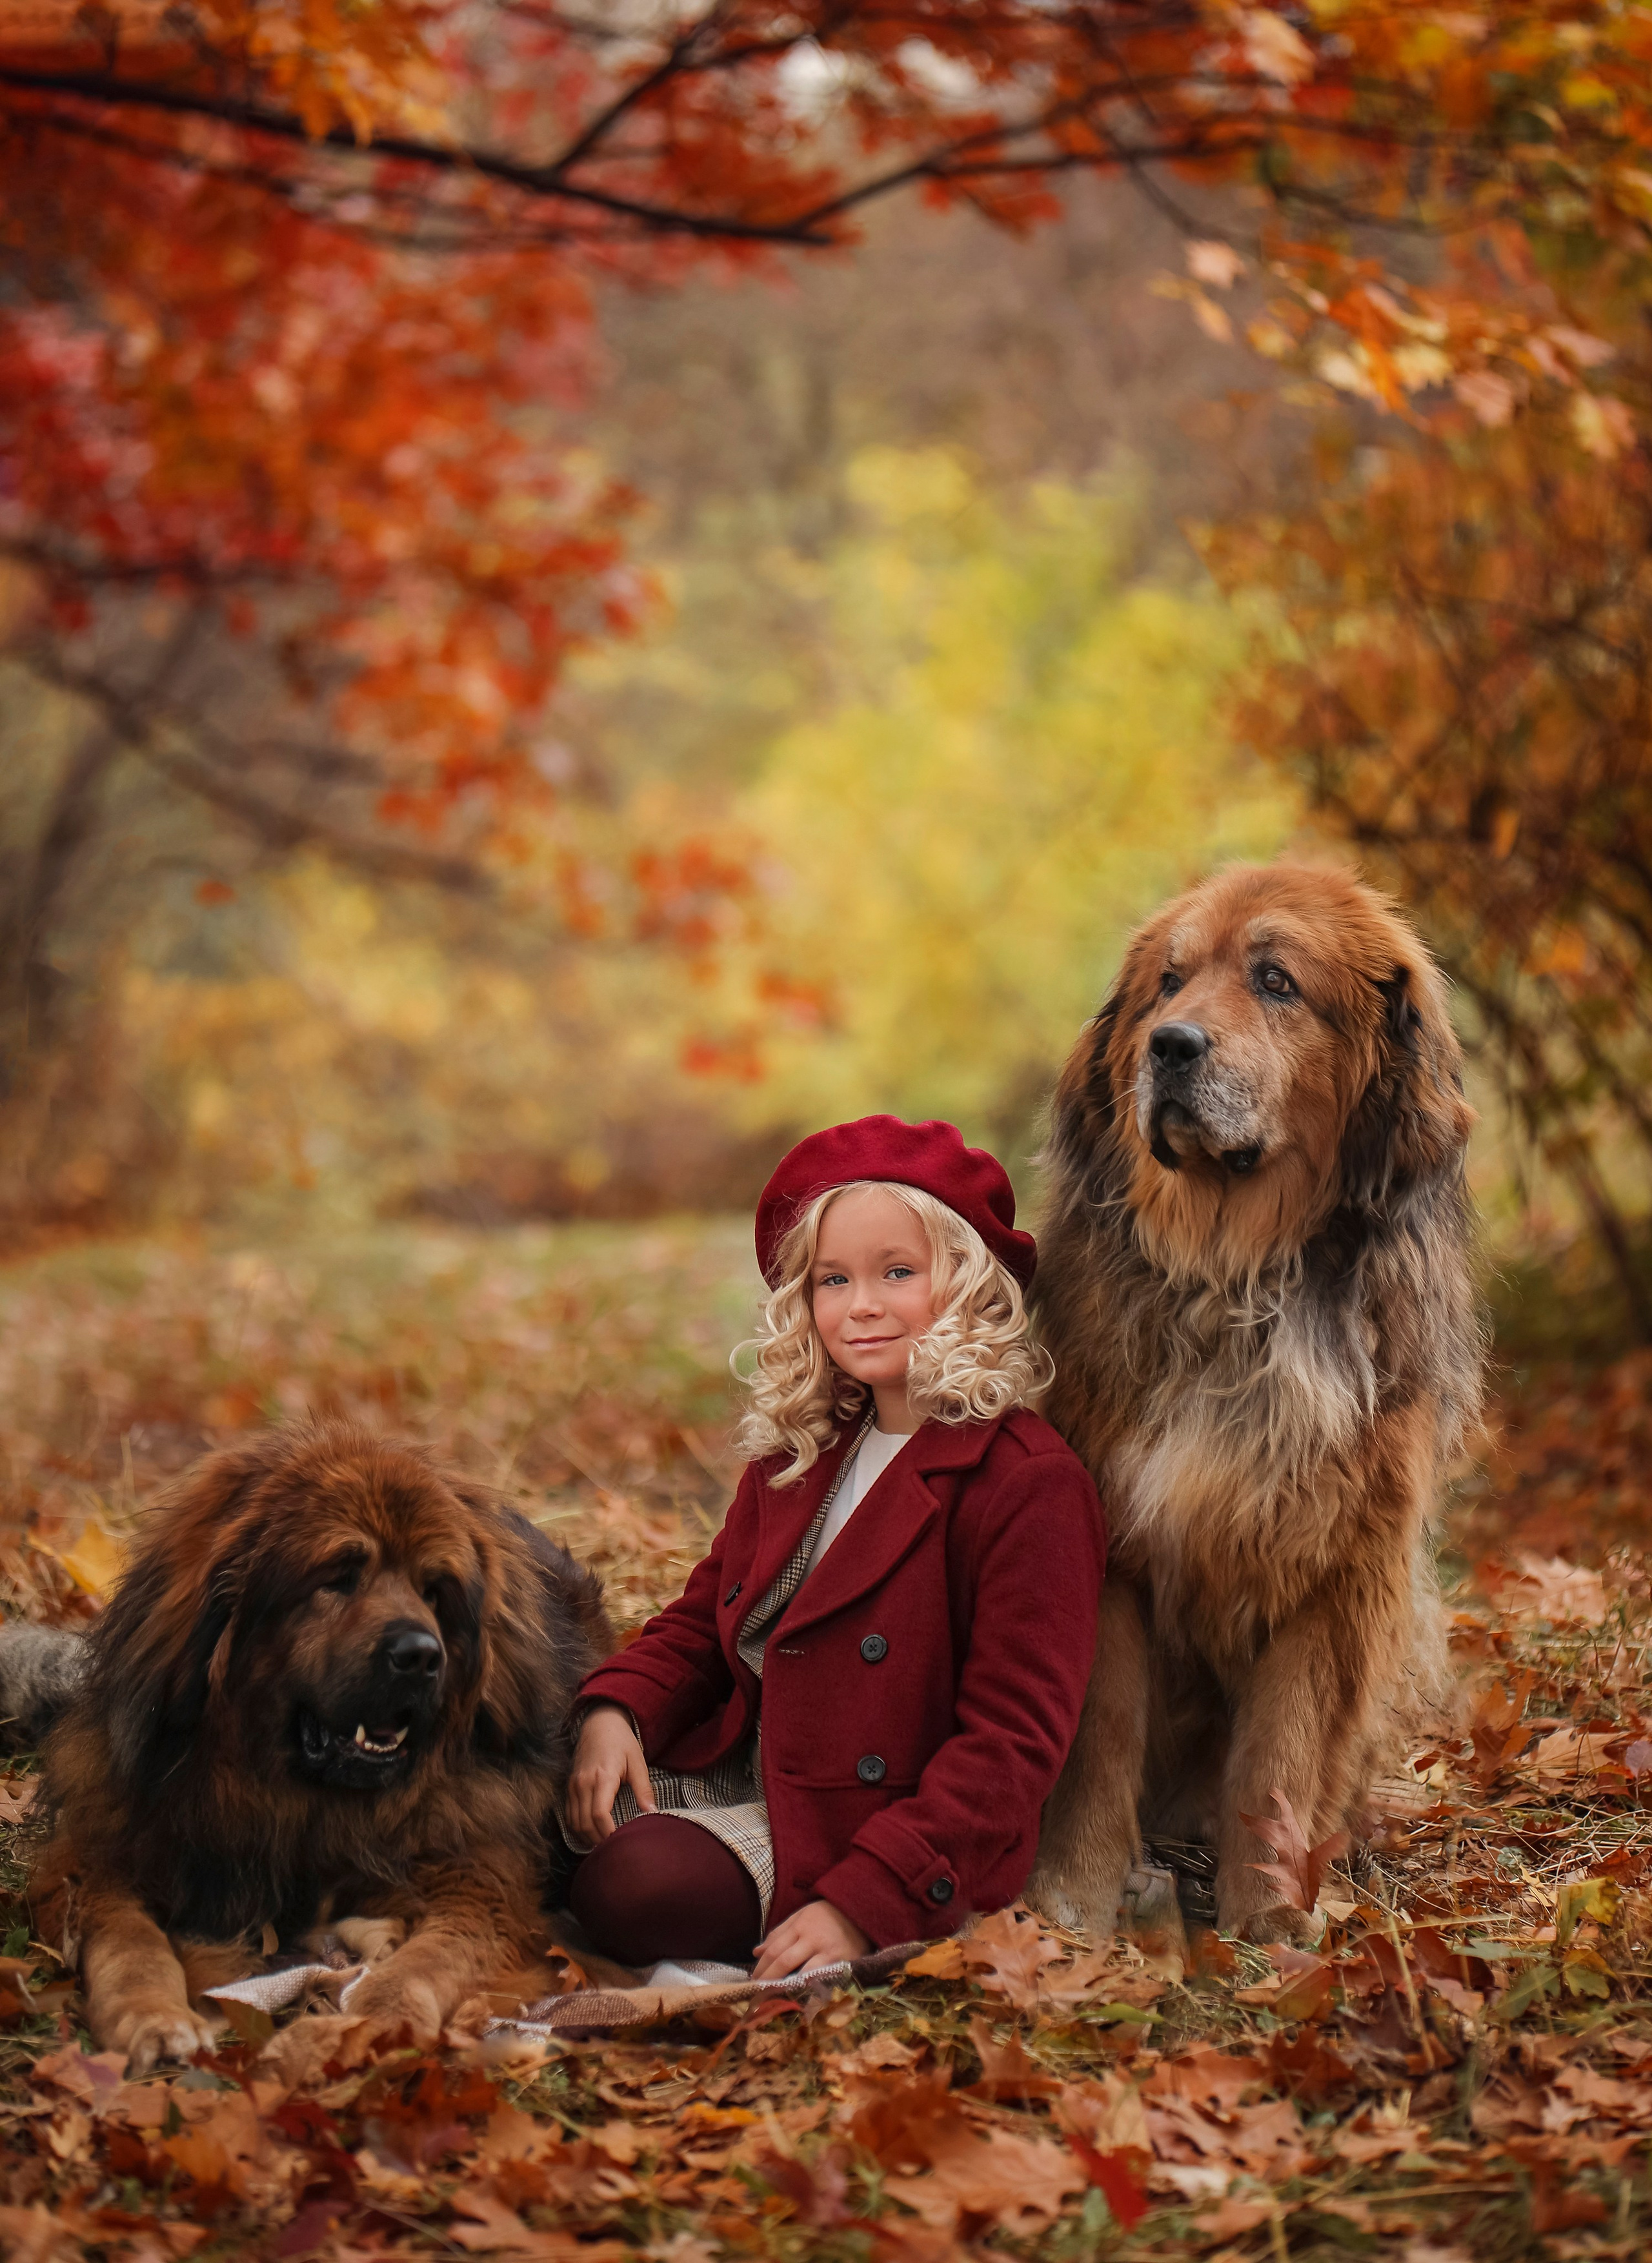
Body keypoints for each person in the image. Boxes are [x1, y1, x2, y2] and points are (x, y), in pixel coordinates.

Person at [564, 1115, 1106, 1978]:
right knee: (533, 1803)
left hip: (872, 1825)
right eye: (832, 1279)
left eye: (898, 1272)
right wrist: (616, 1709)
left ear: (968, 1285)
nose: (860, 1304)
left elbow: (1011, 1744)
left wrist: (866, 1903)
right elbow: (704, 1622)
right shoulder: (803, 1449)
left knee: (631, 1887)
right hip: (750, 1765)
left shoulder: (1027, 1481)